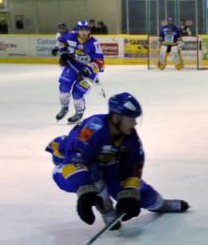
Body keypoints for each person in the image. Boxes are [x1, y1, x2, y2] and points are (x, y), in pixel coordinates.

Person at [46, 92, 189, 231]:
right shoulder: (93, 128)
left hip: (109, 168)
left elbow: (134, 167)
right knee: (92, 172)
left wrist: (130, 192)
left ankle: (160, 204)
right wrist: (84, 191)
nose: (134, 123)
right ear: (117, 117)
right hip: (72, 168)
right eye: (130, 119)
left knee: (143, 194)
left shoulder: (131, 138)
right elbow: (75, 159)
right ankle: (107, 210)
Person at [51, 20, 104, 123]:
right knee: (64, 86)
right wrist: (57, 48)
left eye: (86, 30)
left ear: (89, 31)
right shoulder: (71, 36)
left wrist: (88, 69)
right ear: (77, 30)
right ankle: (64, 108)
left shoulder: (94, 44)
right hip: (73, 65)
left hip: (89, 70)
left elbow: (99, 62)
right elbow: (61, 41)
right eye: (81, 30)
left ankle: (79, 113)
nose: (84, 32)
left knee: (77, 92)